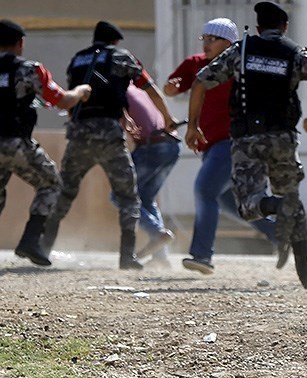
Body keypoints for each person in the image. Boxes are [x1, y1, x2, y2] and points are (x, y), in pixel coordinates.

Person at [185, 2, 307, 289]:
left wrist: (192, 125)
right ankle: (305, 270)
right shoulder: (297, 53)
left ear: (258, 27)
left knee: (248, 205)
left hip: (247, 139)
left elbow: (200, 83)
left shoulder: (241, 51)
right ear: (285, 27)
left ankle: (275, 205)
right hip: (284, 138)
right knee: (293, 201)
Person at [41, 20, 179, 270]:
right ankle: (127, 257)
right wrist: (168, 118)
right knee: (127, 196)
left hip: (79, 134)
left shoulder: (78, 59)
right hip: (109, 136)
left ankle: (43, 249)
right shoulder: (122, 56)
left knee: (65, 191)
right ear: (115, 41)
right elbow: (149, 89)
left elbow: (76, 100)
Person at [163, 18, 277, 276]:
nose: (206, 44)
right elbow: (173, 88)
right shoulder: (195, 64)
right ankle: (279, 233)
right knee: (232, 202)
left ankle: (202, 255)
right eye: (204, 39)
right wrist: (171, 88)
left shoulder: (241, 65)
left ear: (229, 43)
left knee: (205, 190)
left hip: (233, 143)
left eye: (212, 39)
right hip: (211, 146)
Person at [0, 19, 92, 267]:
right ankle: (30, 241)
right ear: (20, 43)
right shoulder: (29, 69)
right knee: (51, 183)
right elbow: (62, 101)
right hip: (15, 143)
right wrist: (81, 91)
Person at [113, 84, 181, 268]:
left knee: (119, 195)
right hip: (171, 146)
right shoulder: (137, 88)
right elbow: (156, 97)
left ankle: (157, 233)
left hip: (151, 147)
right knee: (146, 199)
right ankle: (160, 256)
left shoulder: (115, 89)